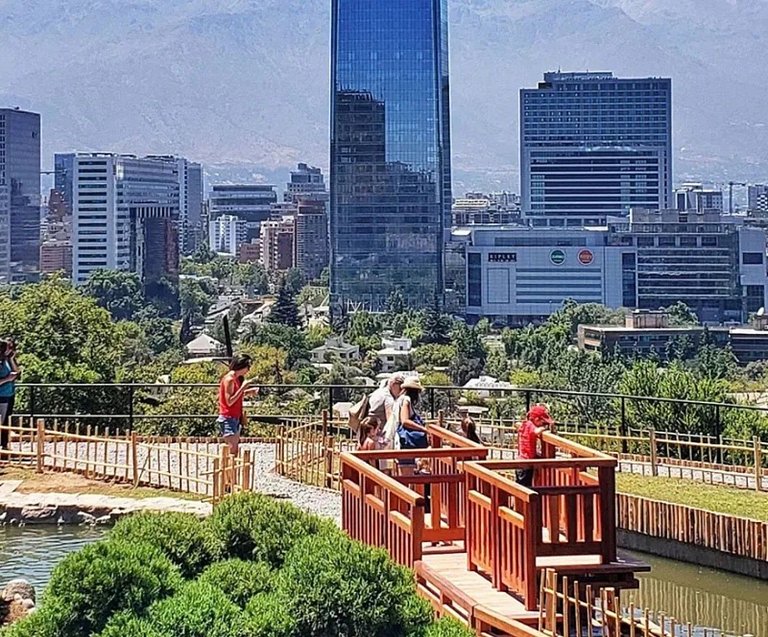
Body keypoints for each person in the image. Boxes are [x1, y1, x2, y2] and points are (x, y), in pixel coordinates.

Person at [217, 354, 258, 456]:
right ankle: (228, 471)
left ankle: (231, 471)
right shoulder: (229, 379)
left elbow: (236, 395)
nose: (248, 370)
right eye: (248, 367)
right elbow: (229, 401)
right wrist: (243, 388)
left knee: (234, 449)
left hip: (235, 417)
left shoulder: (236, 378)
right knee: (232, 450)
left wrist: (247, 392)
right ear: (241, 366)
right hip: (228, 417)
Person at [516, 404, 554, 488]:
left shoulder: (524, 424)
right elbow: (536, 431)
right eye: (543, 422)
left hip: (522, 462)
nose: (543, 424)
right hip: (526, 463)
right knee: (525, 487)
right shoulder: (530, 425)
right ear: (536, 419)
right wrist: (544, 428)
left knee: (523, 485)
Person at [395, 377, 429, 450]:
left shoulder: (399, 399)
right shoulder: (406, 400)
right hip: (406, 439)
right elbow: (405, 421)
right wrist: (424, 429)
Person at [0, 339, 20, 452]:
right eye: (9, 347)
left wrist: (12, 359)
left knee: (6, 420)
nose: (10, 350)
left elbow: (17, 372)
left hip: (9, 394)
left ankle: (4, 443)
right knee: (1, 421)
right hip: (2, 395)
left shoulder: (7, 360)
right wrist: (8, 379)